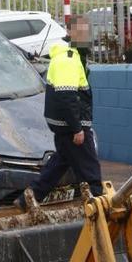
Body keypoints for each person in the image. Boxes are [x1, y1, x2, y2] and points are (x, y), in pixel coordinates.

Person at [17, 15, 102, 209]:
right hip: (71, 125)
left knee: (59, 164)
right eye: (80, 31)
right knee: (90, 169)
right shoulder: (68, 59)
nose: (86, 35)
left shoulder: (72, 55)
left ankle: (29, 198)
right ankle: (98, 203)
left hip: (65, 124)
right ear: (70, 32)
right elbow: (66, 96)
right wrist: (77, 128)